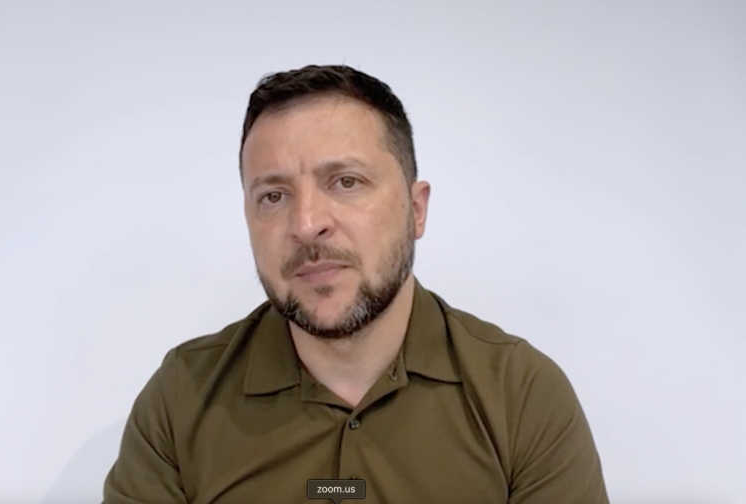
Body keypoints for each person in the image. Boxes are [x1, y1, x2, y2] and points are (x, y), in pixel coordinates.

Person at [102, 65, 609, 504]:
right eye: (274, 196)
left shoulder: (521, 395)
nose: (306, 224)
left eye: (345, 182)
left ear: (416, 210)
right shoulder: (181, 398)